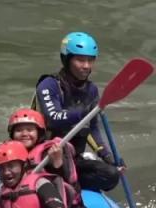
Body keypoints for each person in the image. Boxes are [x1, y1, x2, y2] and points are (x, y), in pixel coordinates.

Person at [33, 31, 120, 192]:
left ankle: (70, 182)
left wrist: (108, 157)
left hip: (72, 157)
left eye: (90, 60)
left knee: (112, 176)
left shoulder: (91, 90)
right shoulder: (49, 85)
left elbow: (92, 128)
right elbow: (53, 118)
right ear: (66, 60)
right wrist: (83, 111)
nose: (86, 66)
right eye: (80, 60)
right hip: (44, 157)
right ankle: (61, 182)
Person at [7, 108, 86, 208]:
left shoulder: (50, 151)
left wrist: (57, 163)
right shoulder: (9, 155)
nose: (24, 134)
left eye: (30, 130)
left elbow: (64, 186)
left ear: (39, 133)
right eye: (19, 130)